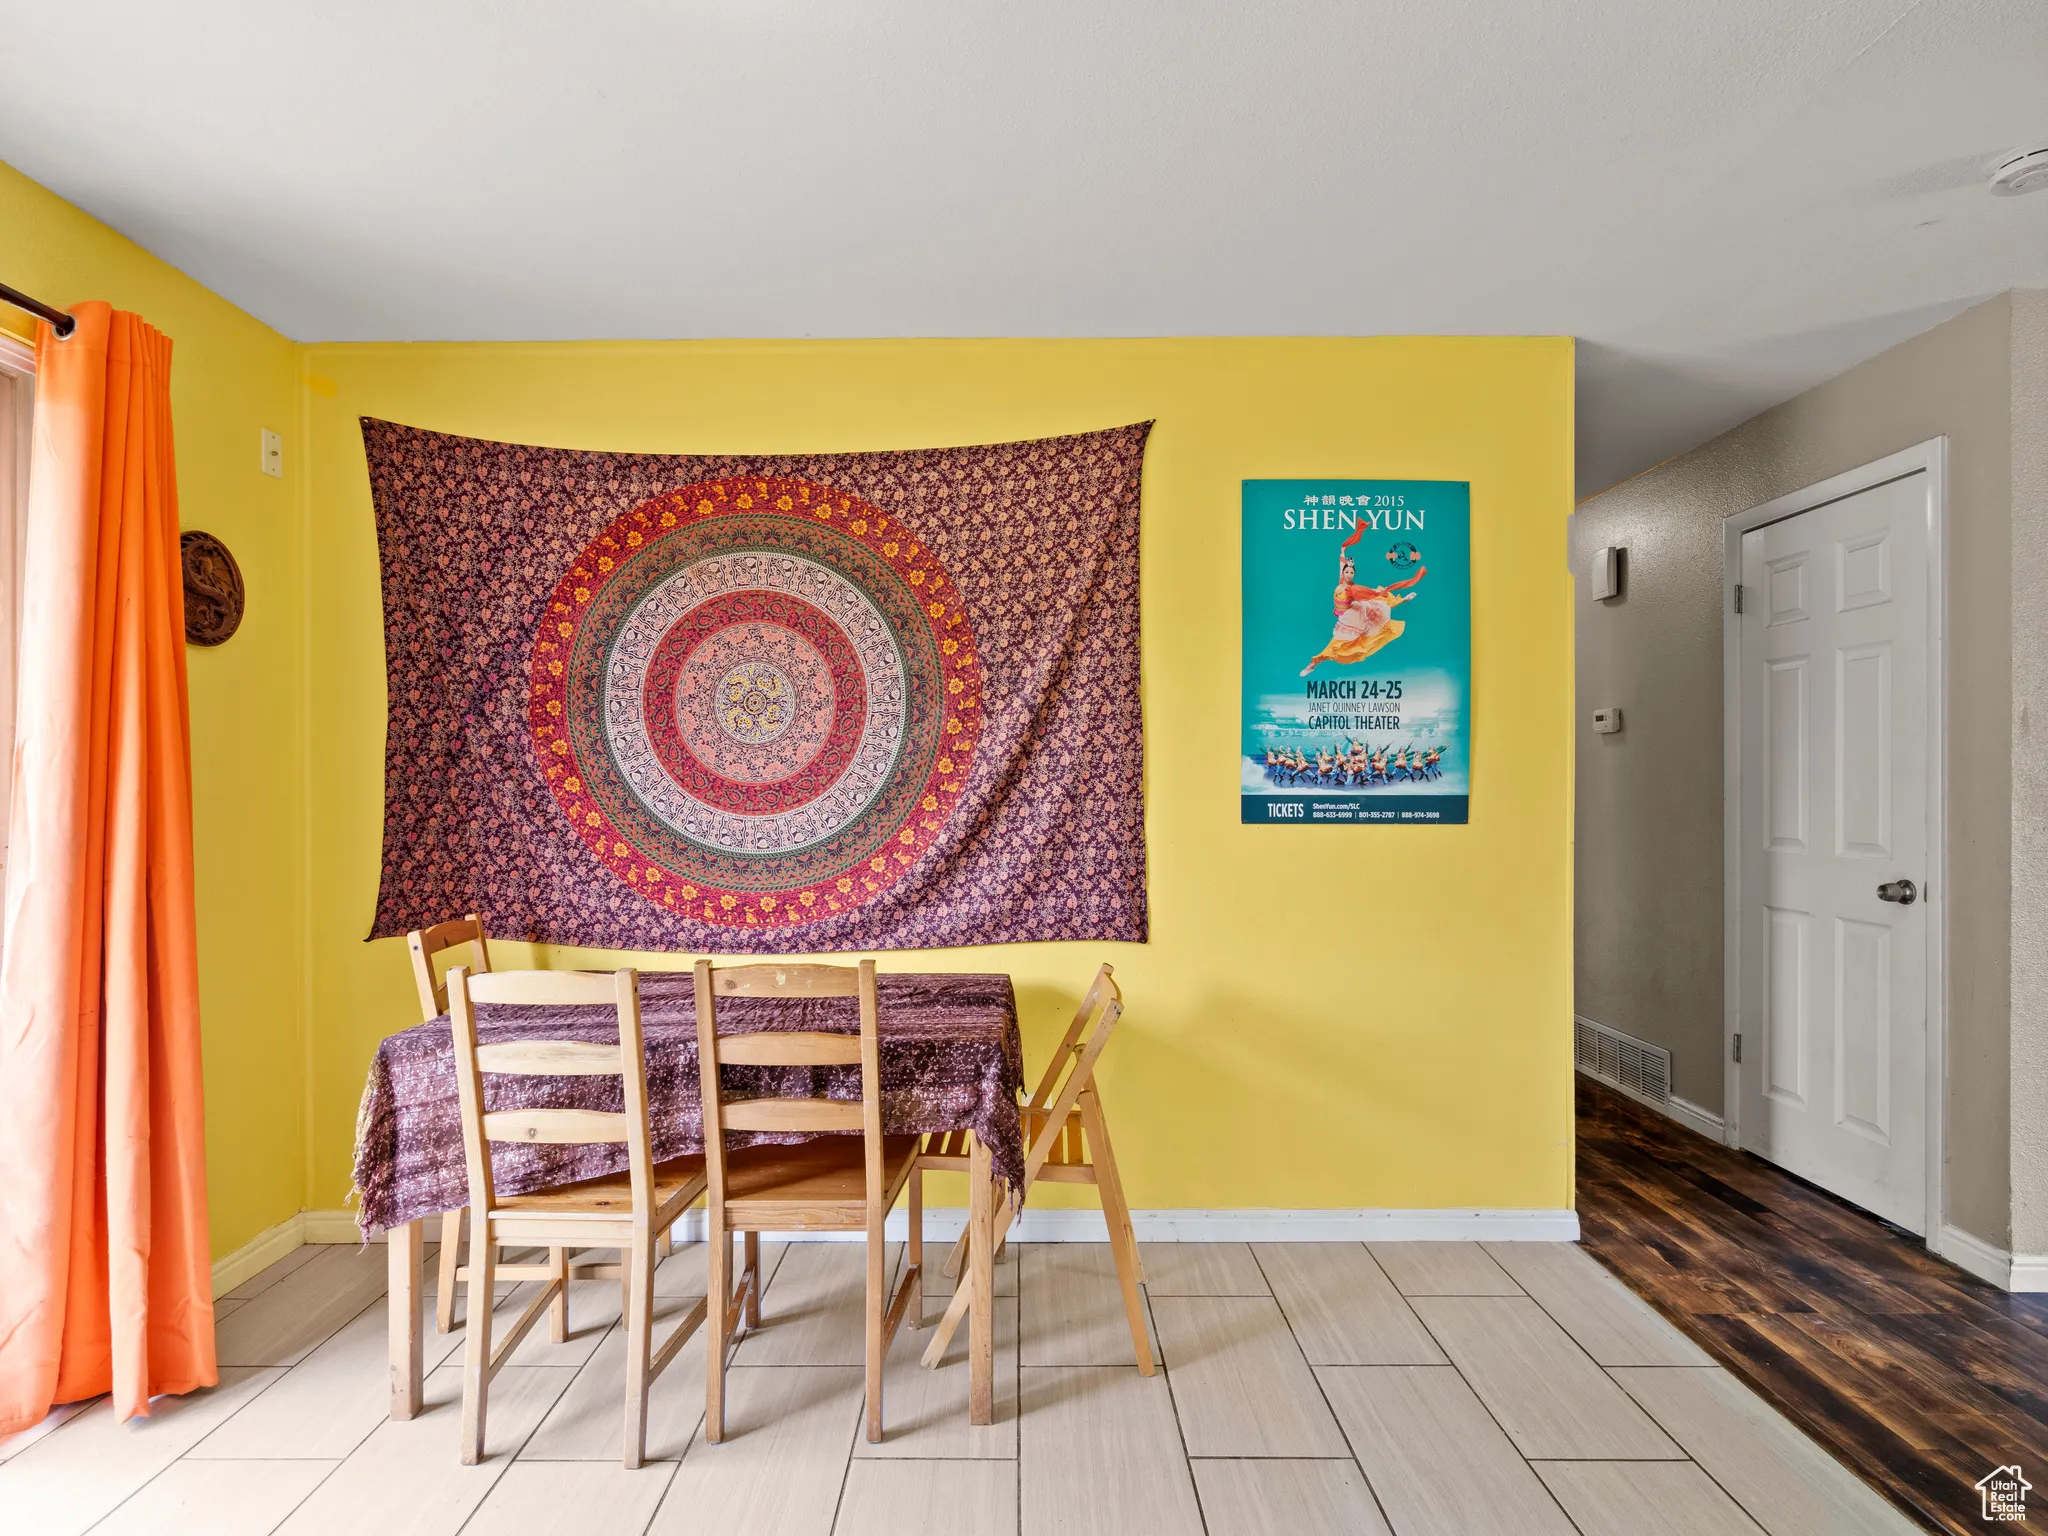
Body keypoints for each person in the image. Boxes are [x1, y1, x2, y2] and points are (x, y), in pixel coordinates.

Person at [1300, 550, 1426, 677]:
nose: (1349, 575)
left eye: (1351, 573)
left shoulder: (1352, 589)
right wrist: (1342, 552)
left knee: (1377, 604)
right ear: (1343, 573)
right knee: (1335, 645)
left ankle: (1403, 599)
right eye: (1347, 572)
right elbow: (1341, 564)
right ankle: (1312, 665)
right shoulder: (1340, 582)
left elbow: (1366, 592)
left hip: (1350, 616)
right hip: (1344, 616)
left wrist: (1377, 592)